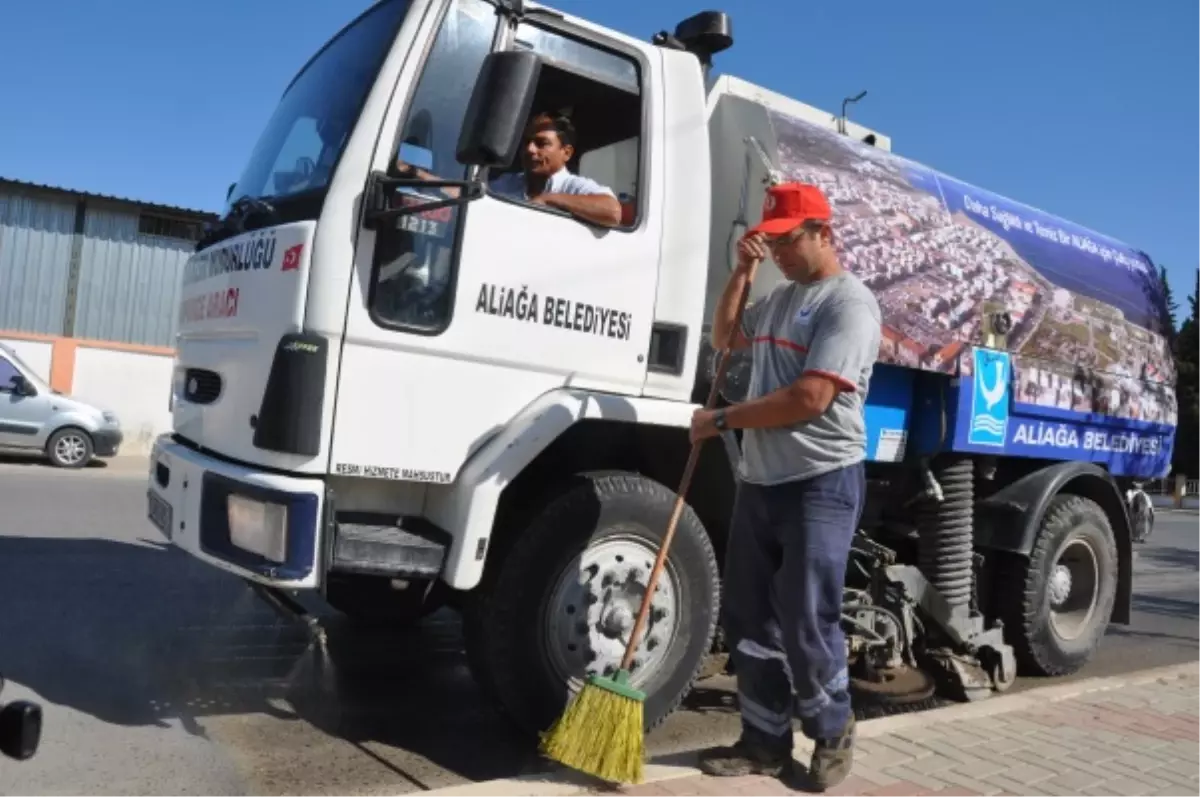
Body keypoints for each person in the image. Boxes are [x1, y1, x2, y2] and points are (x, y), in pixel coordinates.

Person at [689, 182, 882, 790]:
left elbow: (811, 397)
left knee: (806, 615)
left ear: (824, 232)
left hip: (820, 482)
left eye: (789, 240)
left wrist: (721, 419)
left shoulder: (848, 304)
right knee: (750, 617)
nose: (779, 252)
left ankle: (832, 729)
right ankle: (764, 739)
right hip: (762, 480)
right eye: (771, 242)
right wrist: (741, 274)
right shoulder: (777, 299)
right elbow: (724, 340)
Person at [489, 112, 623, 227]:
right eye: (526, 142)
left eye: (542, 143)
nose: (530, 149)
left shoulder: (573, 187)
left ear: (566, 153)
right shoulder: (506, 183)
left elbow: (612, 212)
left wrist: (548, 200)